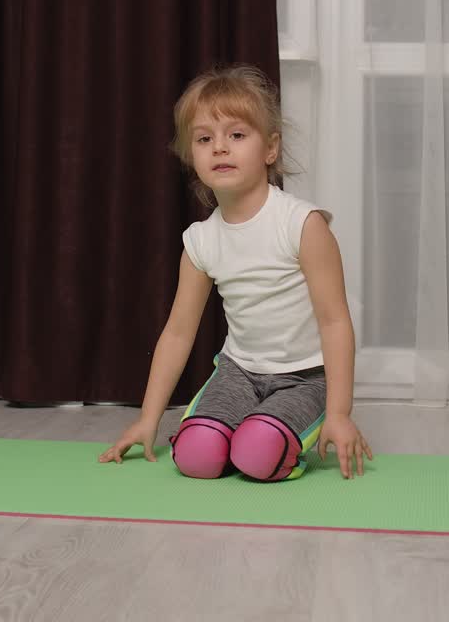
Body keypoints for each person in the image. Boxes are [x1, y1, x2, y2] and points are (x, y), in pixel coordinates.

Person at [98, 64, 372, 481]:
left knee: (258, 454)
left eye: (237, 135)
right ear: (193, 156)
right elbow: (177, 333)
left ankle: (273, 440)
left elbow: (335, 321)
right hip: (238, 372)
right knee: (194, 458)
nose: (220, 148)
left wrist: (339, 412)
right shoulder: (200, 241)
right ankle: (240, 431)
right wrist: (147, 419)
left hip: (306, 378)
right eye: (205, 139)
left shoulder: (302, 224)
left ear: (270, 149)